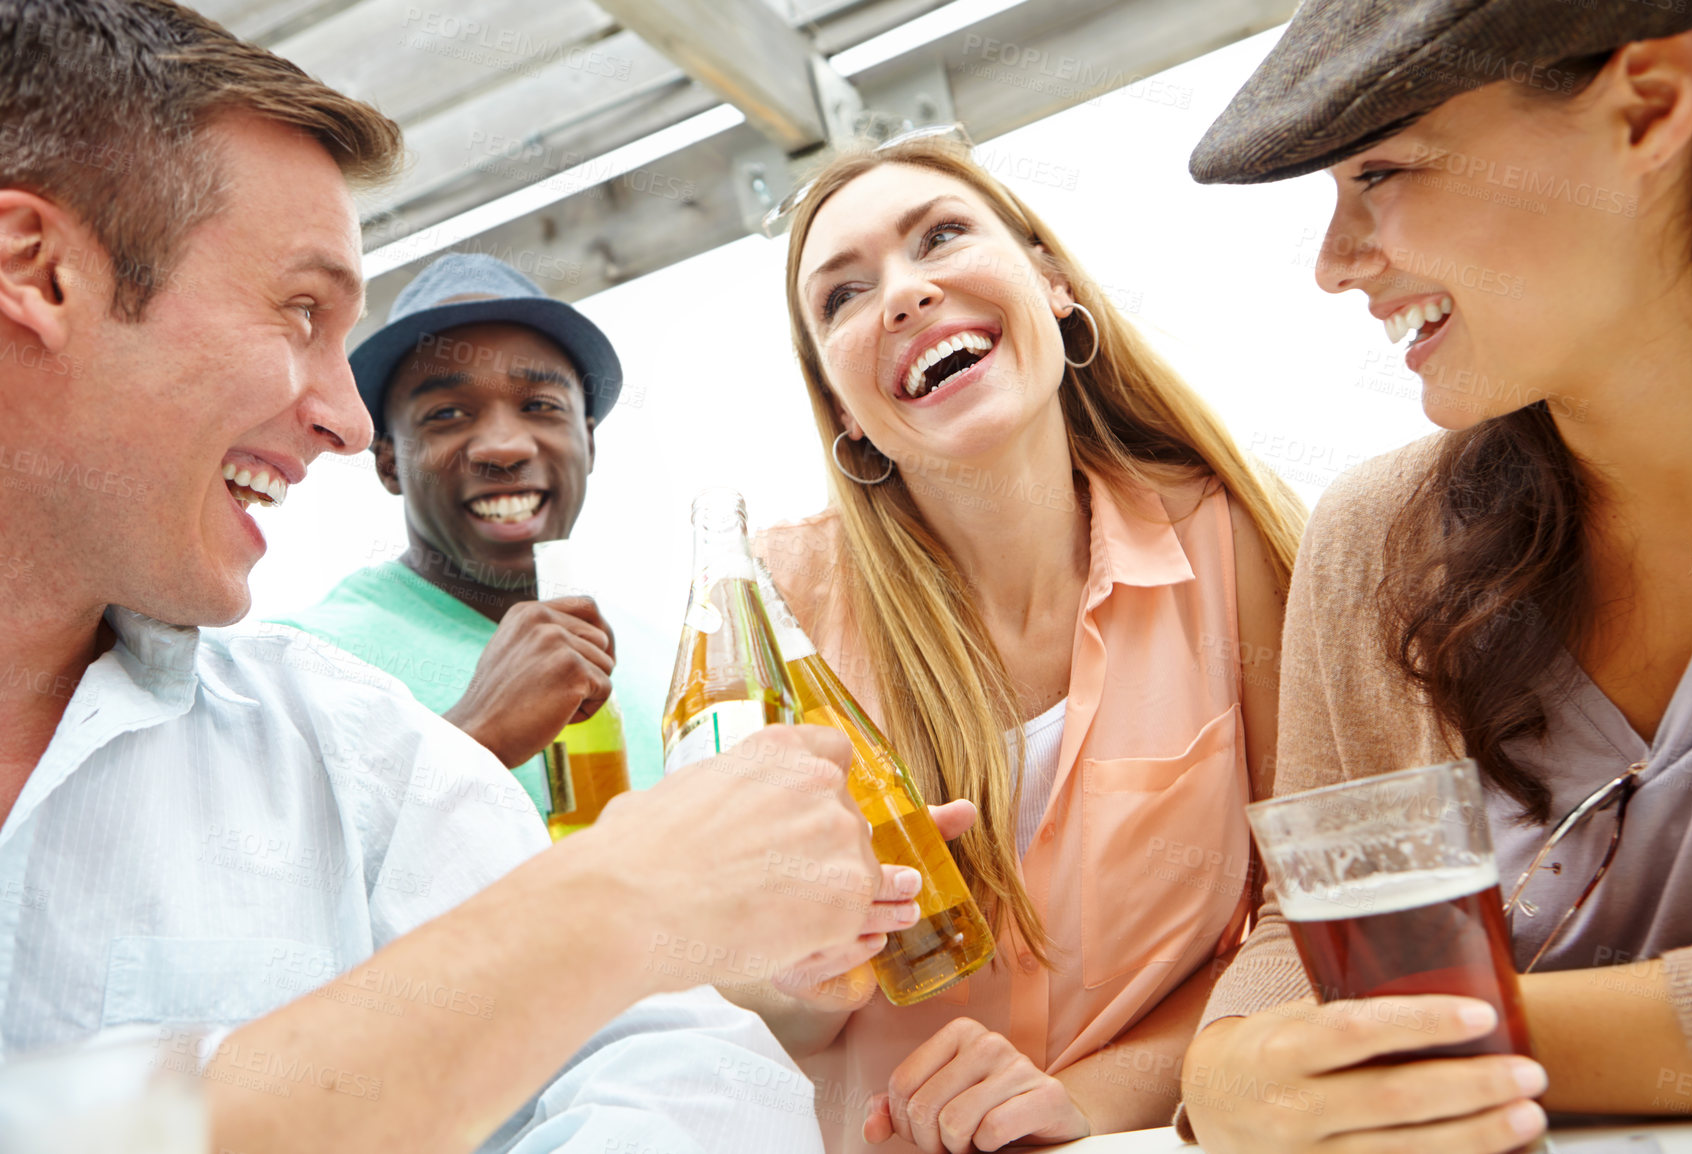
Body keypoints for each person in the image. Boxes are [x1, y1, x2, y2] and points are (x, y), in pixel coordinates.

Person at [0, 3, 902, 1152]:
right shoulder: (354, 662)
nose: (332, 411)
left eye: (542, 405)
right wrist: (621, 897)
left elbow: (675, 1055)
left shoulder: (337, 734)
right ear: (38, 271)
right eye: (298, 310)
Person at [1179, 2, 1692, 1151]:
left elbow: (1369, 997)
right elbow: (1305, 926)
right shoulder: (1377, 539)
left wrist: (1454, 1038)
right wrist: (1235, 1063)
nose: (1333, 266)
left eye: (1380, 169)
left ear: (1650, 105)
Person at [738, 129, 1308, 1151]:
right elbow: (725, 987)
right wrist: (793, 975)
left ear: (1051, 283)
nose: (905, 293)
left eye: (942, 235)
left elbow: (1302, 909)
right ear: (843, 411)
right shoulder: (771, 610)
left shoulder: (1227, 544)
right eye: (844, 293)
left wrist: (1088, 1095)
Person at [270, 252, 666, 811]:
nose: (504, 447)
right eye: (447, 415)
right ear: (389, 464)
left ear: (590, 443)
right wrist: (475, 732)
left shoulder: (667, 661)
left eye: (540, 405)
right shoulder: (299, 667)